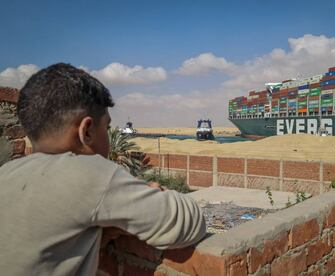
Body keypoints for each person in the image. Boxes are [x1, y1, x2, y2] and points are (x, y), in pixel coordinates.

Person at [0, 63, 206, 275]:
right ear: (86, 131)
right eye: (107, 127)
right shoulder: (88, 172)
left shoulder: (7, 172)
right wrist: (152, 194)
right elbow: (189, 223)